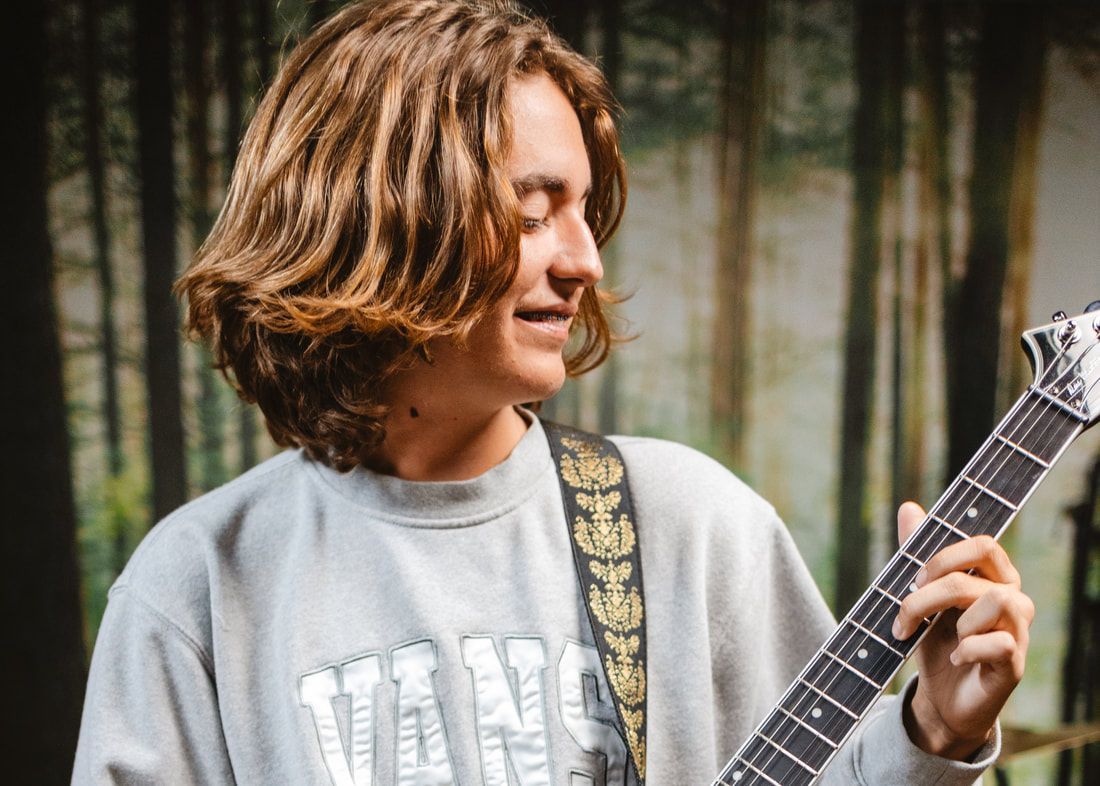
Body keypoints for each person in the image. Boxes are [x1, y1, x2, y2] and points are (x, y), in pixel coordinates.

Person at [72, 1, 1034, 783]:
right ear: (385, 228)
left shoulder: (692, 527)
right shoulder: (196, 586)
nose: (583, 260)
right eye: (534, 215)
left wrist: (934, 735)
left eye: (583, 210)